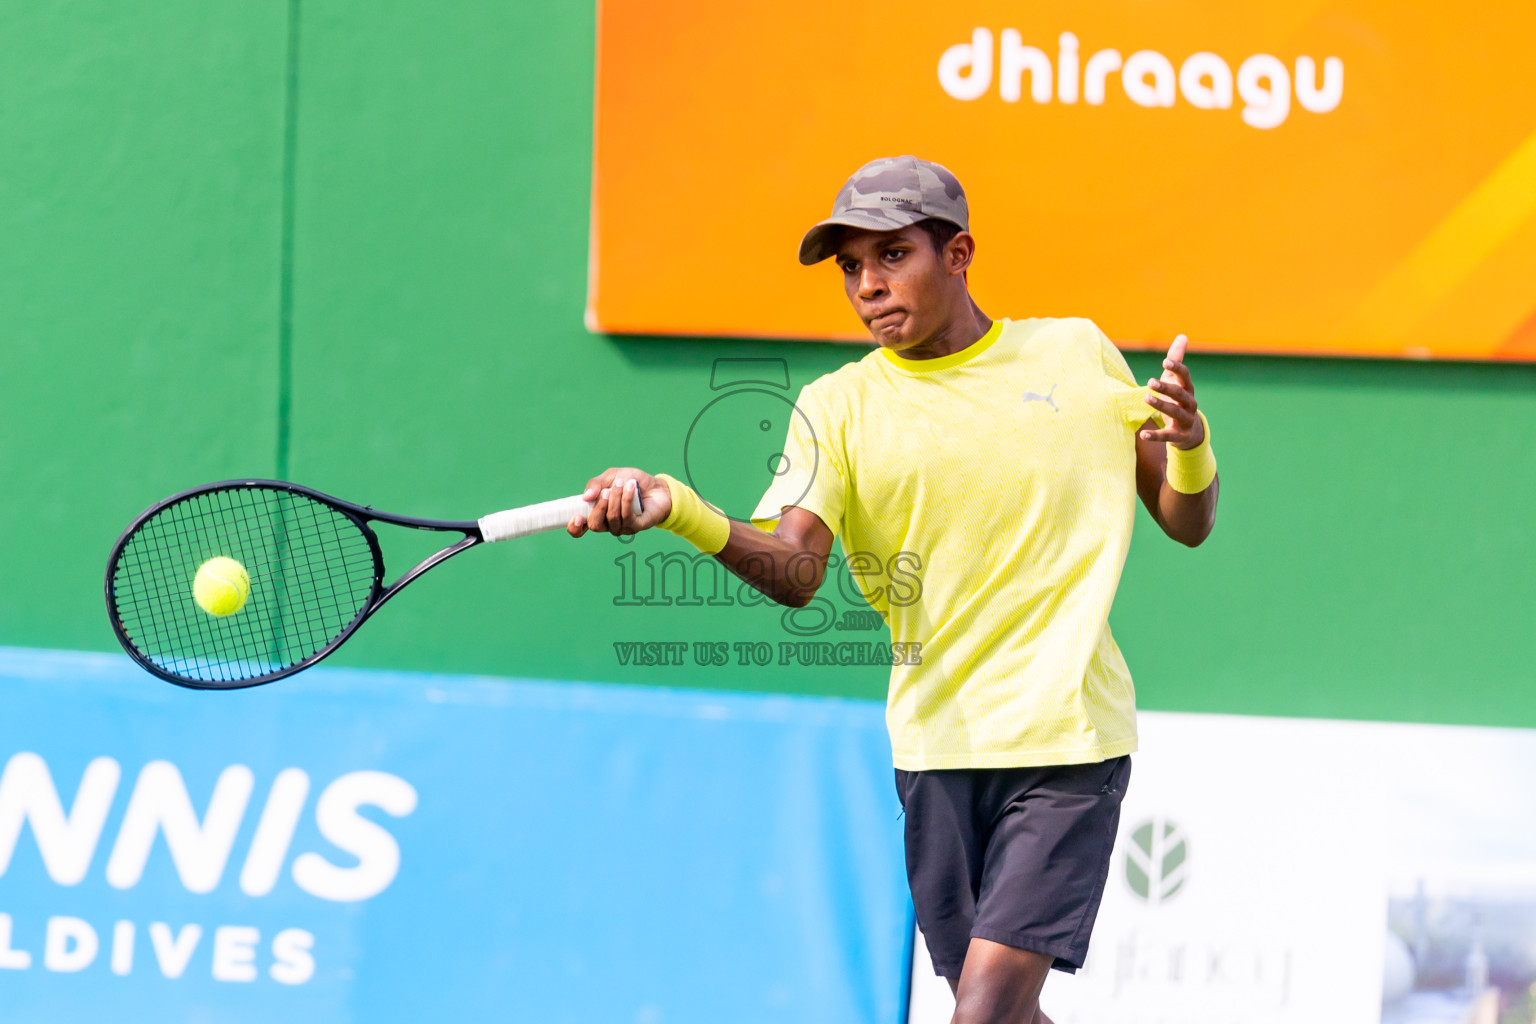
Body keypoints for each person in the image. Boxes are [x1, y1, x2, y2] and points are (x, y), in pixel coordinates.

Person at [569, 155, 1219, 1024]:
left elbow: (1186, 519)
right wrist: (676, 509)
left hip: (1066, 739)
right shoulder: (836, 408)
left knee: (983, 1010)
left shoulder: (1072, 351)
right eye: (851, 267)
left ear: (958, 254)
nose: (868, 286)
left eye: (892, 255)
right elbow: (797, 570)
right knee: (1003, 1016)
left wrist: (1189, 442)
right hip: (935, 755)